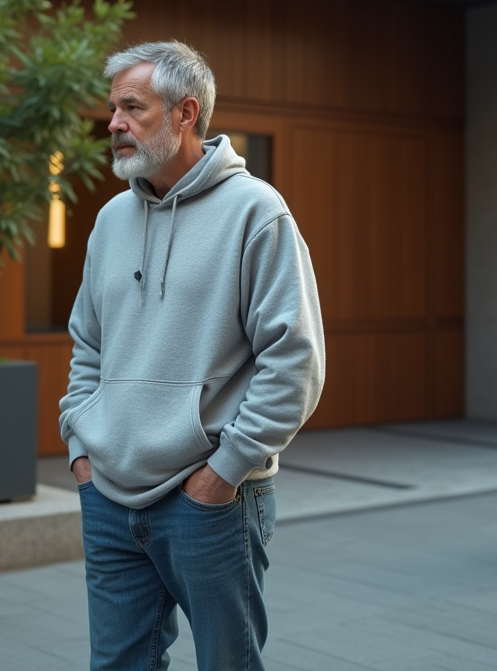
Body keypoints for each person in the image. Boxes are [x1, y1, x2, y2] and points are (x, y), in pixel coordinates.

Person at [59, 40, 325, 671]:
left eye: (132, 107)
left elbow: (295, 362)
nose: (114, 123)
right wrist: (80, 451)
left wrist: (224, 471)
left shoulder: (257, 212)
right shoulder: (110, 220)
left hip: (210, 500)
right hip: (109, 494)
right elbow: (88, 344)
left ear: (184, 113)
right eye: (113, 108)